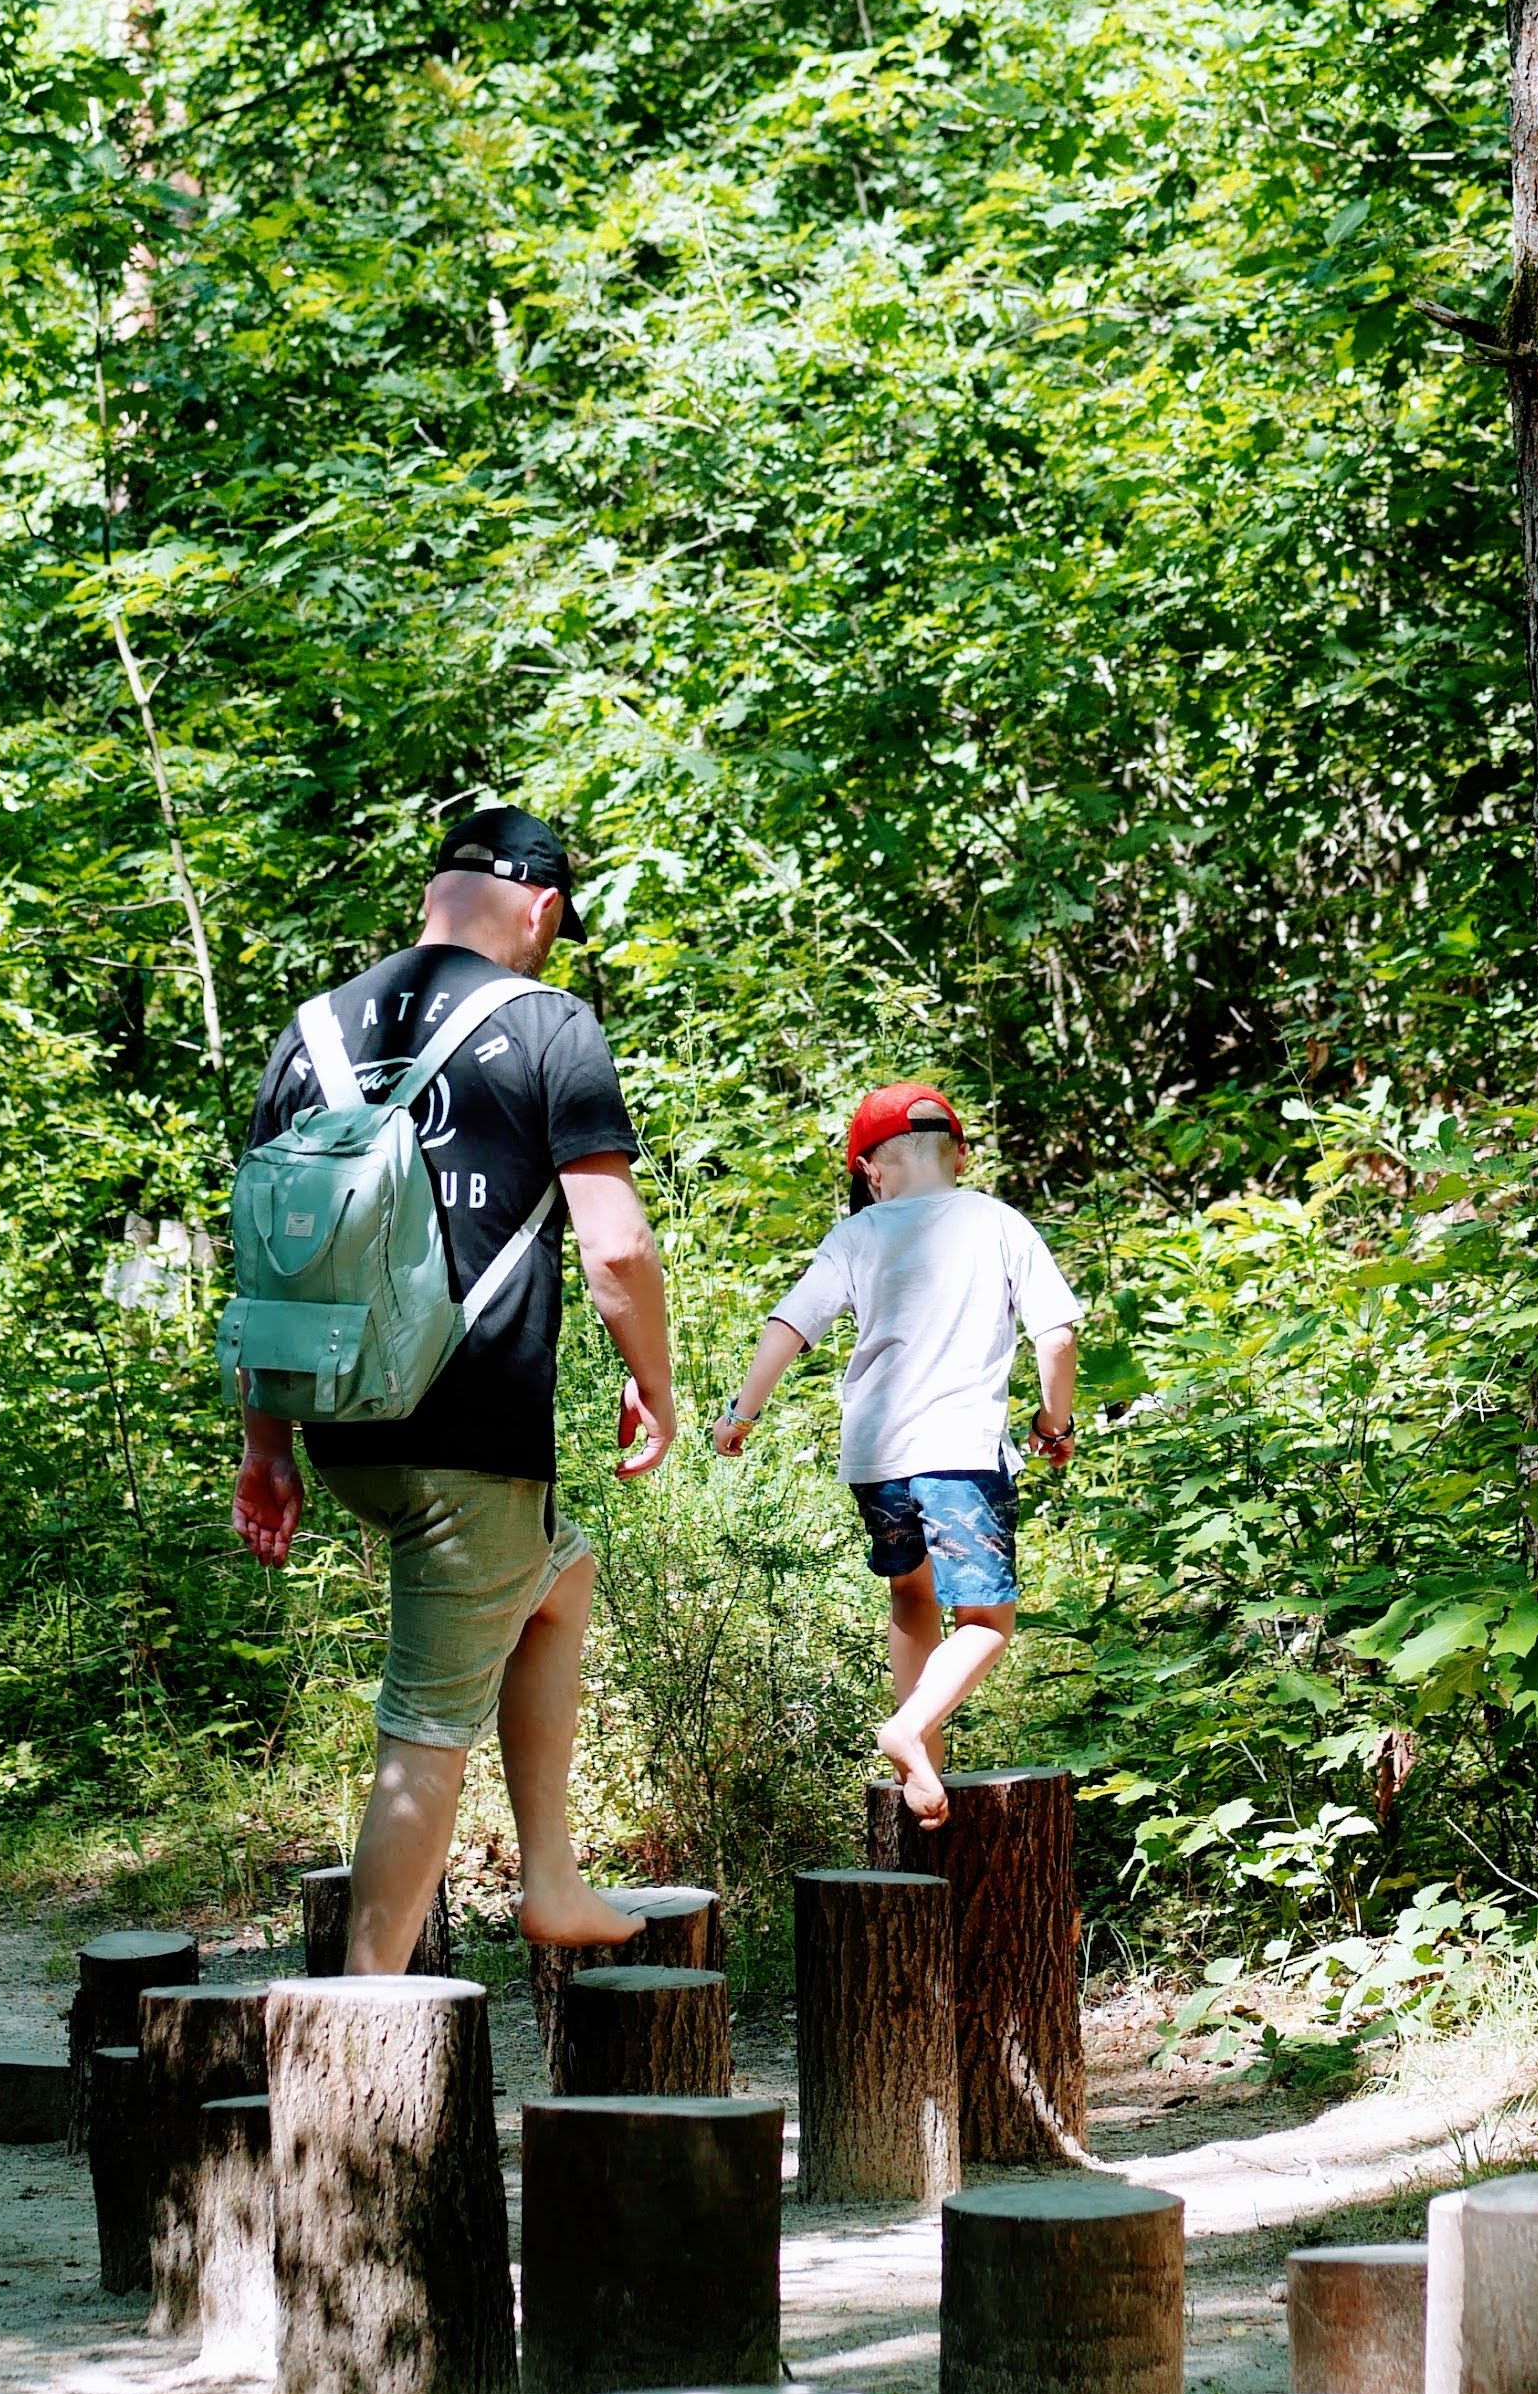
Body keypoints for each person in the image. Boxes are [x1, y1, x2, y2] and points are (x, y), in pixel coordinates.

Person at [230, 806, 676, 1969]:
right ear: (540, 907)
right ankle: (363, 2003)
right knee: (426, 1723)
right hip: (471, 1425)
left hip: (342, 1421)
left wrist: (266, 1446)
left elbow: (271, 1251)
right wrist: (654, 1384)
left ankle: (551, 1877)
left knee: (558, 1578)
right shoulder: (548, 1023)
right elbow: (616, 1246)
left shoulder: (312, 1031)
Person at [711, 1083, 1079, 1827]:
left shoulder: (858, 1235)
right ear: (961, 1154)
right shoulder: (999, 1222)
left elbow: (790, 1324)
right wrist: (1054, 1422)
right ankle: (908, 1730)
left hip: (877, 1457)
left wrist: (740, 1412)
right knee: (985, 1622)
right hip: (960, 1452)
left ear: (871, 1169)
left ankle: (925, 1771)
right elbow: (1058, 1335)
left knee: (912, 1598)